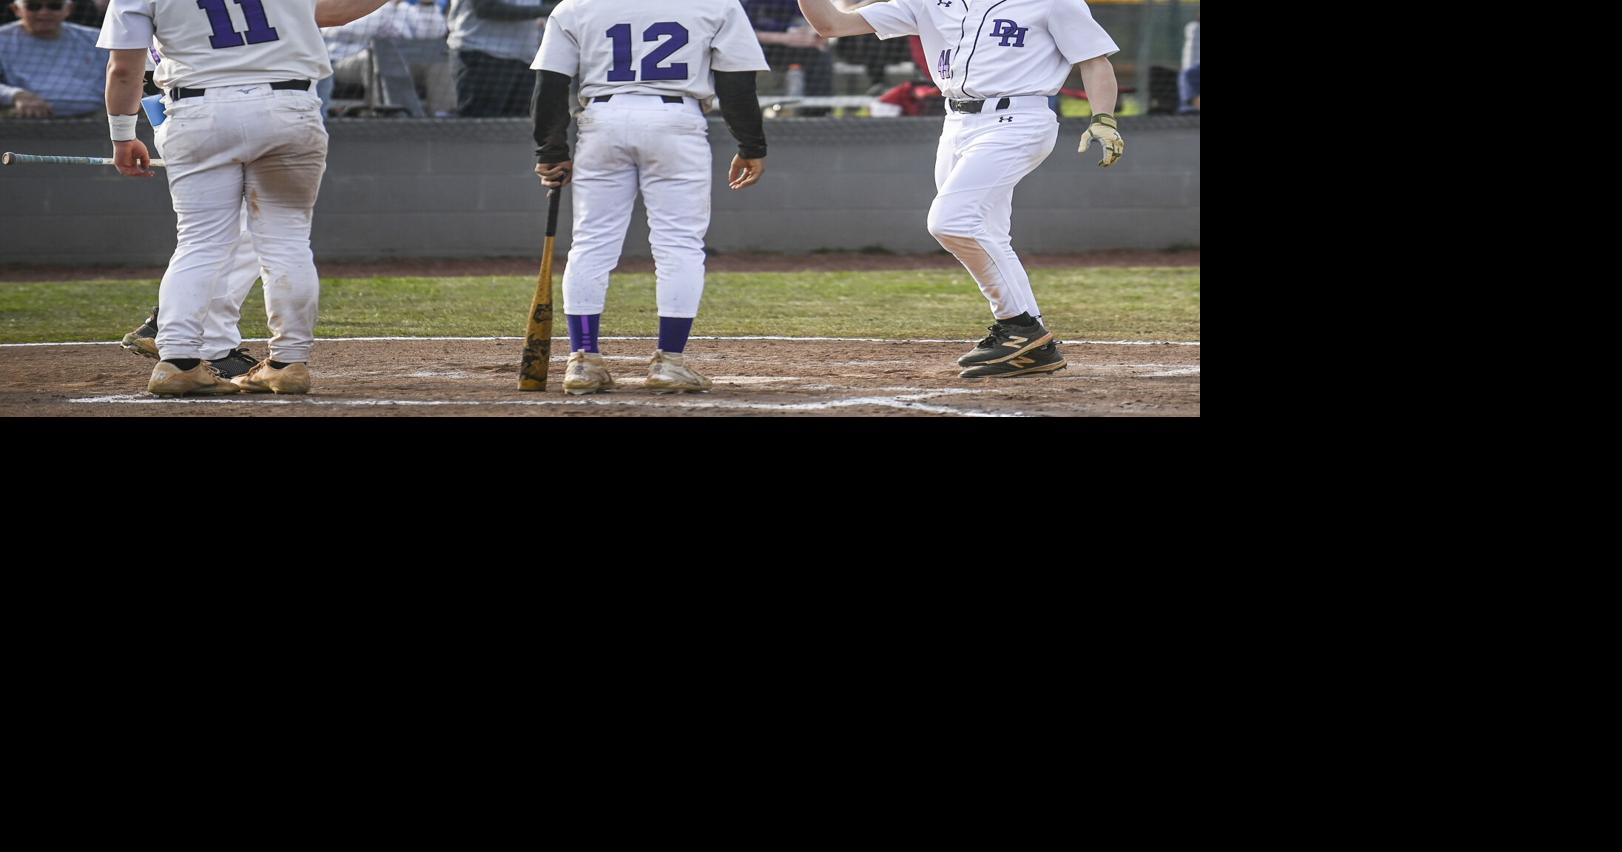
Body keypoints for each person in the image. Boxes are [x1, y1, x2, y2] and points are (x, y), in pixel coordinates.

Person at [795, 0, 1123, 379]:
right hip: (956, 122)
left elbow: (1094, 60)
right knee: (992, 236)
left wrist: (1104, 119)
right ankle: (1032, 345)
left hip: (1019, 119)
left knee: (952, 221)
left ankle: (1021, 328)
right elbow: (832, 23)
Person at [98, 0, 393, 396]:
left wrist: (122, 135)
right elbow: (330, 11)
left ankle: (179, 362)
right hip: (289, 107)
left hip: (197, 111)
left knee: (199, 243)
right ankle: (288, 364)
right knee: (287, 242)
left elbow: (124, 69)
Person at [531, 0, 770, 395]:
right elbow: (737, 82)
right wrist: (751, 145)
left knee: (591, 242)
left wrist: (551, 151)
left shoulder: (575, 5)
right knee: (679, 244)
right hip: (677, 120)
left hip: (602, 120)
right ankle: (670, 362)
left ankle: (583, 361)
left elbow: (551, 83)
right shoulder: (716, 4)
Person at [319, 0, 453, 116]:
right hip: (341, 61)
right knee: (375, 58)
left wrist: (426, 5)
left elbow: (434, 32)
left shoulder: (402, 8)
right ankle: (387, 113)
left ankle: (443, 114)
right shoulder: (346, 4)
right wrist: (384, 7)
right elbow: (331, 29)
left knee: (439, 60)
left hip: (399, 63)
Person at [446, 0, 555, 117]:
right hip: (481, 56)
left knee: (517, 129)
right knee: (481, 126)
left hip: (523, 58)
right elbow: (486, 8)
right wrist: (549, 10)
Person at [0, 0, 108, 118]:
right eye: (33, 6)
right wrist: (15, 95)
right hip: (22, 120)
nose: (44, 13)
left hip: (97, 120)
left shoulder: (96, 39)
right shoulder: (3, 39)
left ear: (69, 9)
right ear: (16, 9)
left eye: (54, 6)